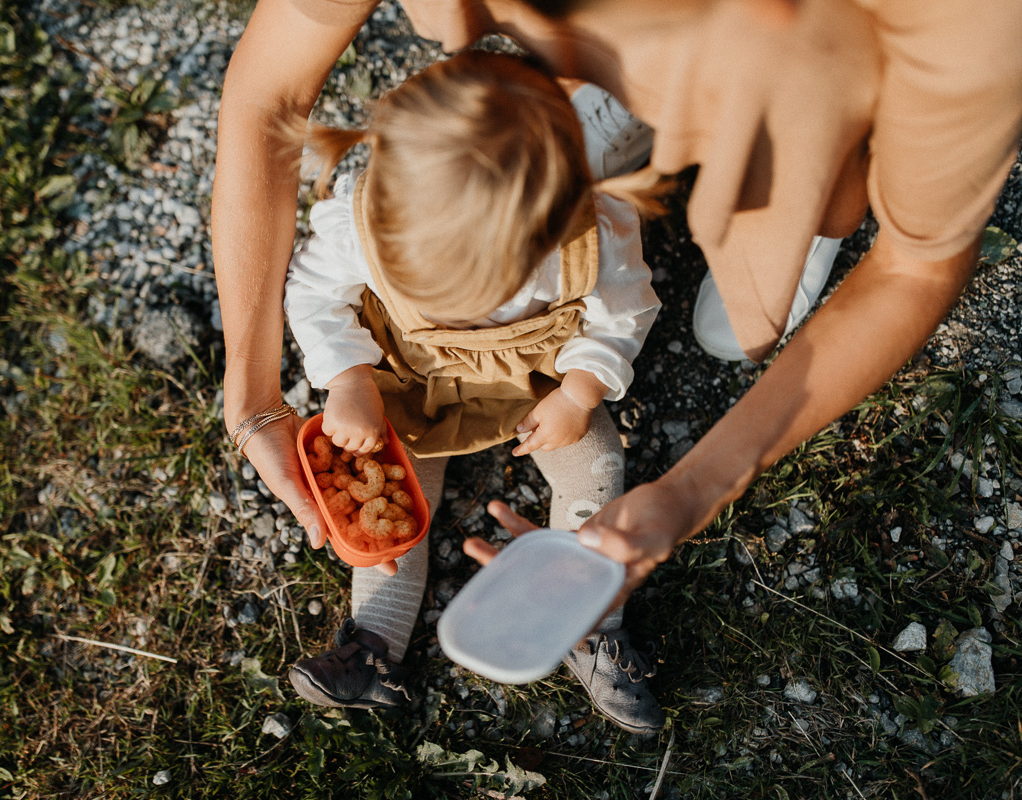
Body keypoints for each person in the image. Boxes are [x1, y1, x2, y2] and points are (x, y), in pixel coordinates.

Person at [213, 0, 1022, 642]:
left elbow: (913, 266)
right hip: (428, 374)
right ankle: (374, 632)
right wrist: (306, 383)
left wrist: (607, 413)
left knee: (730, 338)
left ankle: (808, 196)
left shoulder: (592, 234)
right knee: (400, 459)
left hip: (782, 104)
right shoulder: (361, 221)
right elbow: (270, 99)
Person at [279, 51, 663, 732]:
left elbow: (624, 313)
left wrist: (579, 391)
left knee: (596, 460)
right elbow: (313, 292)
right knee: (392, 502)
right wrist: (348, 379)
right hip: (410, 391)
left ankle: (588, 619)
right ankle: (373, 650)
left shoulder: (591, 229)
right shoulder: (363, 217)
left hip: (531, 389)